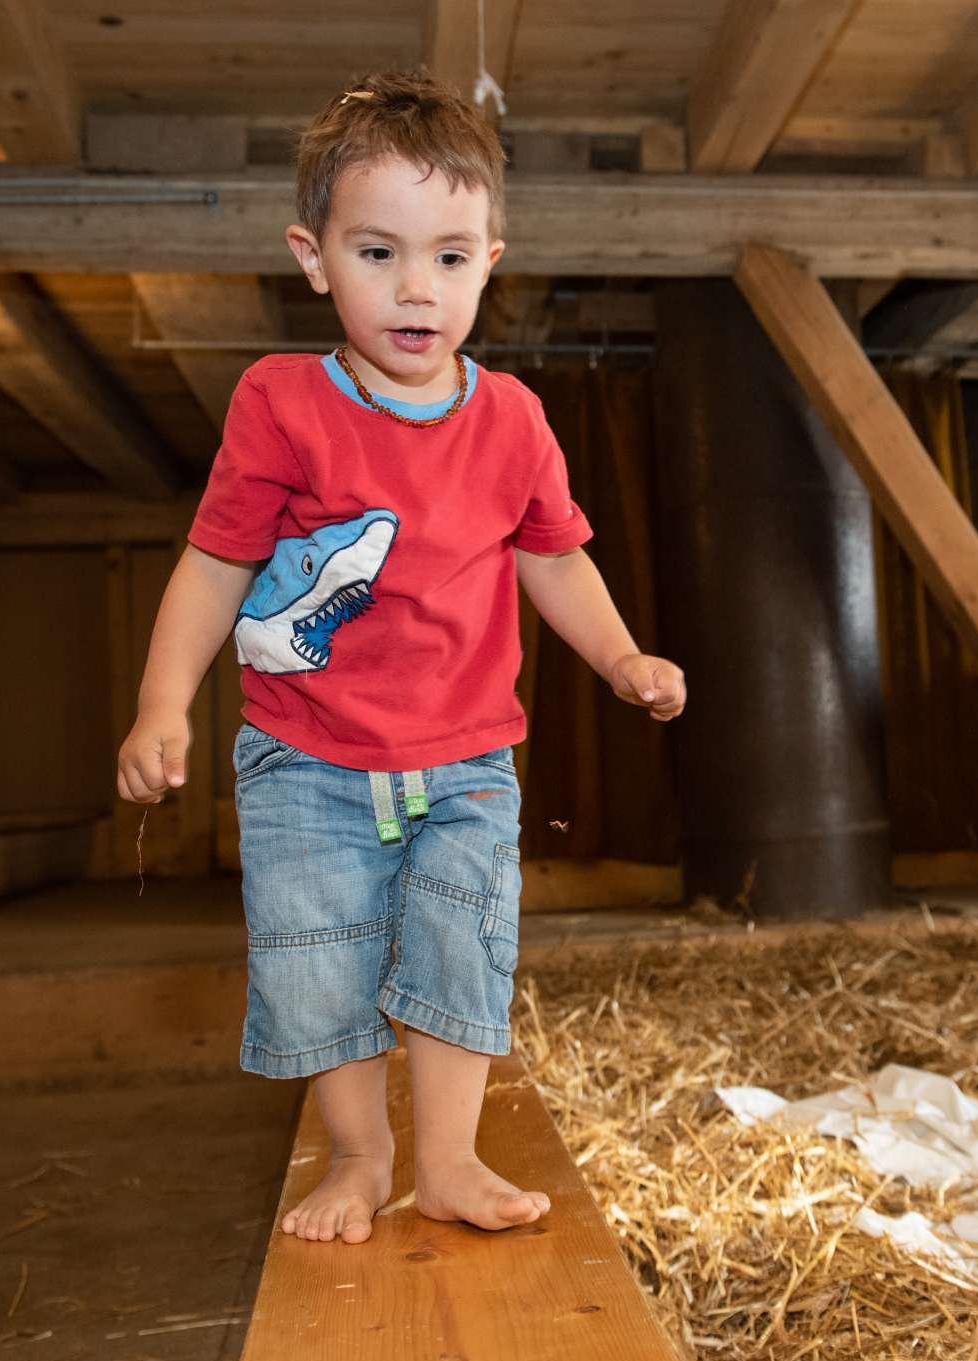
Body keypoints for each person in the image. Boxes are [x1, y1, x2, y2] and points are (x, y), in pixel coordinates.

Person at [114, 69, 685, 1245]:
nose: (415, 287)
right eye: (377, 253)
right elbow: (214, 562)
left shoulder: (512, 419)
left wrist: (621, 654)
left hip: (465, 755)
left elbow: (553, 557)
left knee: (459, 940)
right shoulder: (281, 403)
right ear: (314, 257)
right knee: (317, 957)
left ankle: (452, 1159)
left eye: (448, 256)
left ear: (488, 262)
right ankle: (358, 1154)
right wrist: (161, 701)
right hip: (305, 753)